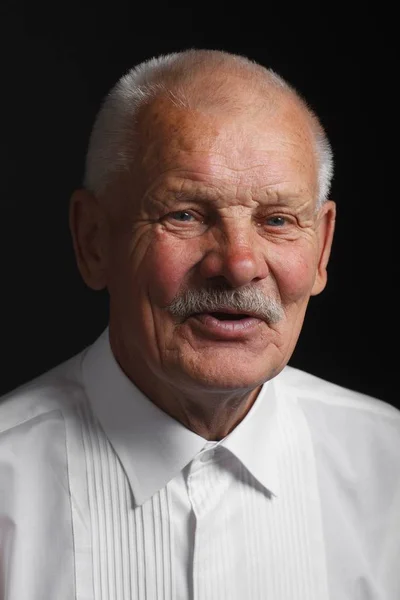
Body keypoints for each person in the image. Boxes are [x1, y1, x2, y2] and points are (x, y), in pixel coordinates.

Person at [0, 49, 399, 600]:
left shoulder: (390, 469)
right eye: (185, 214)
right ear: (93, 240)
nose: (238, 264)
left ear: (323, 246)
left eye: (277, 220)